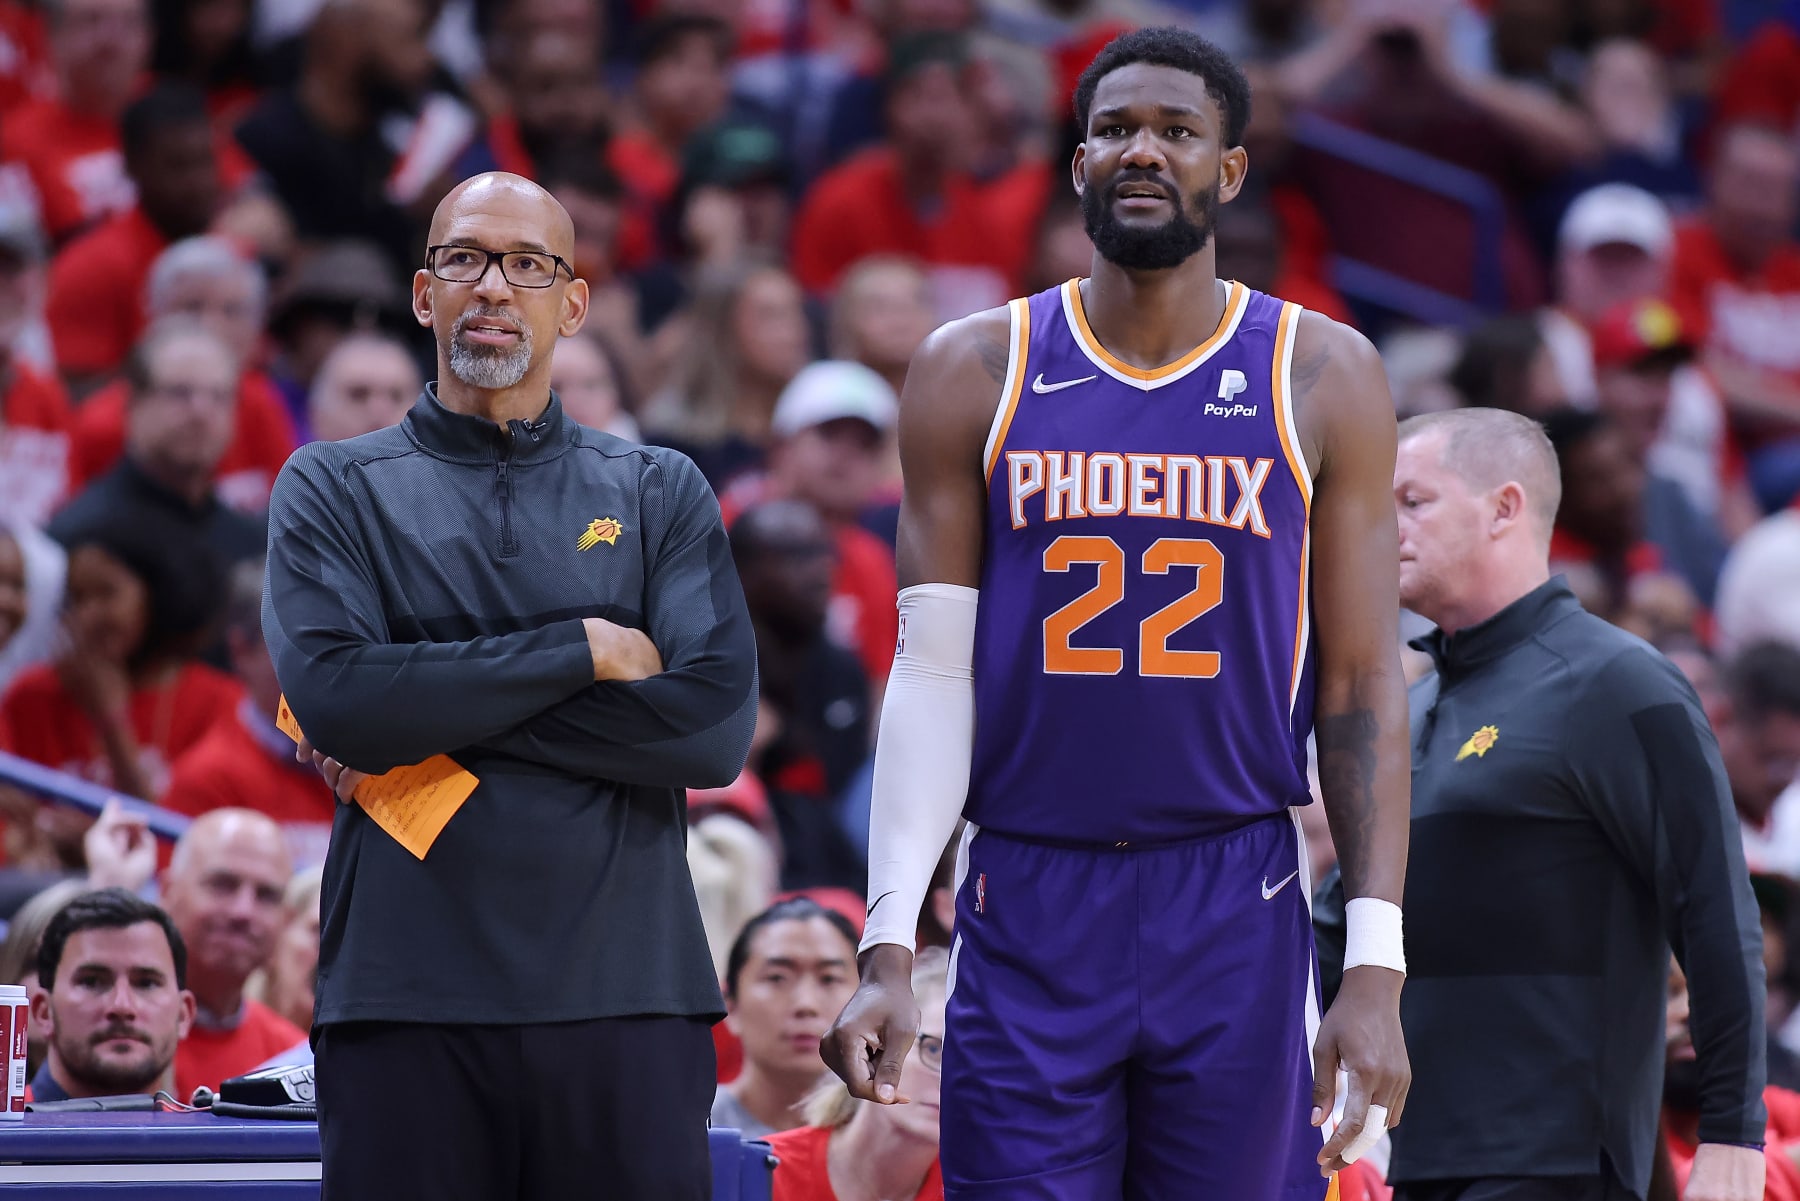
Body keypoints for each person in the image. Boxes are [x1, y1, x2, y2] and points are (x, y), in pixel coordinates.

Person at [822, 28, 1412, 1201]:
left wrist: (1375, 967)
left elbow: (1358, 685)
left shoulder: (1323, 371)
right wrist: (890, 944)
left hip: (1233, 887)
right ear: (1079, 162)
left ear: (1229, 171)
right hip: (1029, 886)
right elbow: (933, 671)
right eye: (1114, 130)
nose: (1142, 150)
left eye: (1177, 131)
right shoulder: (973, 365)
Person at [263, 170, 758, 1201]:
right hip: (405, 1000)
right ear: (422, 293)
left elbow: (709, 730)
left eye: (528, 264)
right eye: (464, 259)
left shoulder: (657, 489)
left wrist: (427, 702)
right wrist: (583, 648)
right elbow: (340, 702)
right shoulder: (329, 485)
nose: (494, 286)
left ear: (571, 303)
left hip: (629, 994)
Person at [1379, 406, 1766, 1201]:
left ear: (1504, 508)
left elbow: (1717, 914)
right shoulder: (1412, 706)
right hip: (1416, 1157)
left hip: (1558, 1163)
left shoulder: (1617, 682)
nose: (1387, 528)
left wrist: (1733, 1134)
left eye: (1412, 501)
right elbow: (1339, 924)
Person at [769, 946, 950, 1201]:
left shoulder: (976, 1190)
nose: (947, 1080)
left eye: (968, 1065)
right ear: (877, 1043)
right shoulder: (766, 1172)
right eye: (934, 1048)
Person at [159, 808, 303, 1100]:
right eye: (222, 885)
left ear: (285, 919)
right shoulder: (117, 1030)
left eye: (266, 895)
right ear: (168, 892)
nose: (243, 912)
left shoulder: (294, 1060)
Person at [26, 887, 195, 1104]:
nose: (122, 1006)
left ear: (183, 1015)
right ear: (44, 1012)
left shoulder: (209, 1136)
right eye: (91, 981)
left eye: (147, 983)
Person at [712, 897, 863, 1138]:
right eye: (777, 978)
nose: (806, 1004)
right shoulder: (690, 1129)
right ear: (732, 1007)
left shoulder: (887, 1138)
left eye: (829, 978)